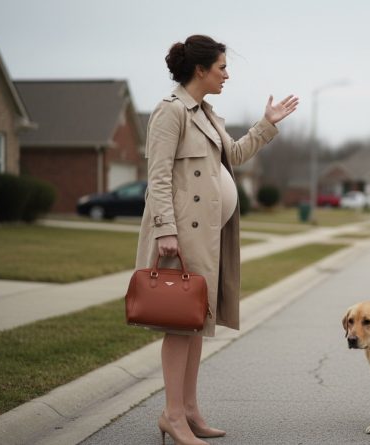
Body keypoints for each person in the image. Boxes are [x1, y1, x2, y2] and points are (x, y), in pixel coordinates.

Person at [134, 35, 298, 445]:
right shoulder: (170, 112)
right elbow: (156, 176)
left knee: (196, 324)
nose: (227, 74)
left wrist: (267, 124)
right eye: (222, 67)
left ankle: (188, 411)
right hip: (180, 237)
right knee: (178, 326)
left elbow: (236, 155)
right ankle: (172, 415)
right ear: (200, 70)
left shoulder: (206, 114)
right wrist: (165, 229)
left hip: (208, 237)